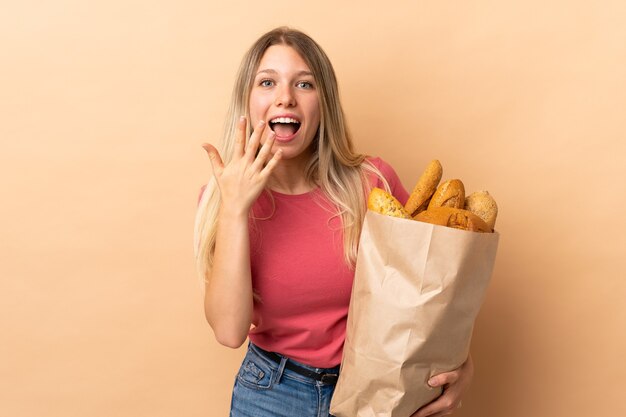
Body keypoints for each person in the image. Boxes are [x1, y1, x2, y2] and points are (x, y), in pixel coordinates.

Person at [194, 26, 473, 417]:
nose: (285, 98)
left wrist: (458, 366)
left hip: (375, 389)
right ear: (248, 100)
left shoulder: (373, 183)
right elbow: (228, 331)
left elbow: (427, 293)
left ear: (323, 102)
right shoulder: (223, 200)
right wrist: (235, 208)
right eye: (267, 82)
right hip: (271, 395)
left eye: (304, 84)